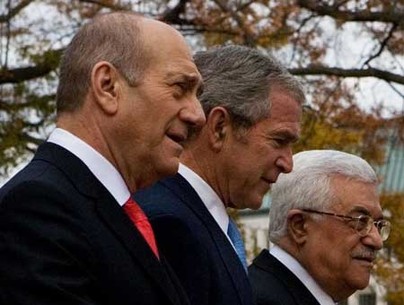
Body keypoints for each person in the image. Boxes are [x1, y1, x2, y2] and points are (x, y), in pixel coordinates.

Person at [0, 11, 206, 305]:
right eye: (180, 88)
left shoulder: (116, 211)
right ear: (108, 86)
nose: (197, 115)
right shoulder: (37, 207)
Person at [134, 45, 305, 305]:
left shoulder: (196, 219)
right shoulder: (169, 226)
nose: (288, 163)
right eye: (279, 140)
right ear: (219, 127)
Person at [249, 150, 391, 305]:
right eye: (360, 221)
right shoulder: (250, 299)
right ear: (299, 226)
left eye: (378, 224)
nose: (377, 241)